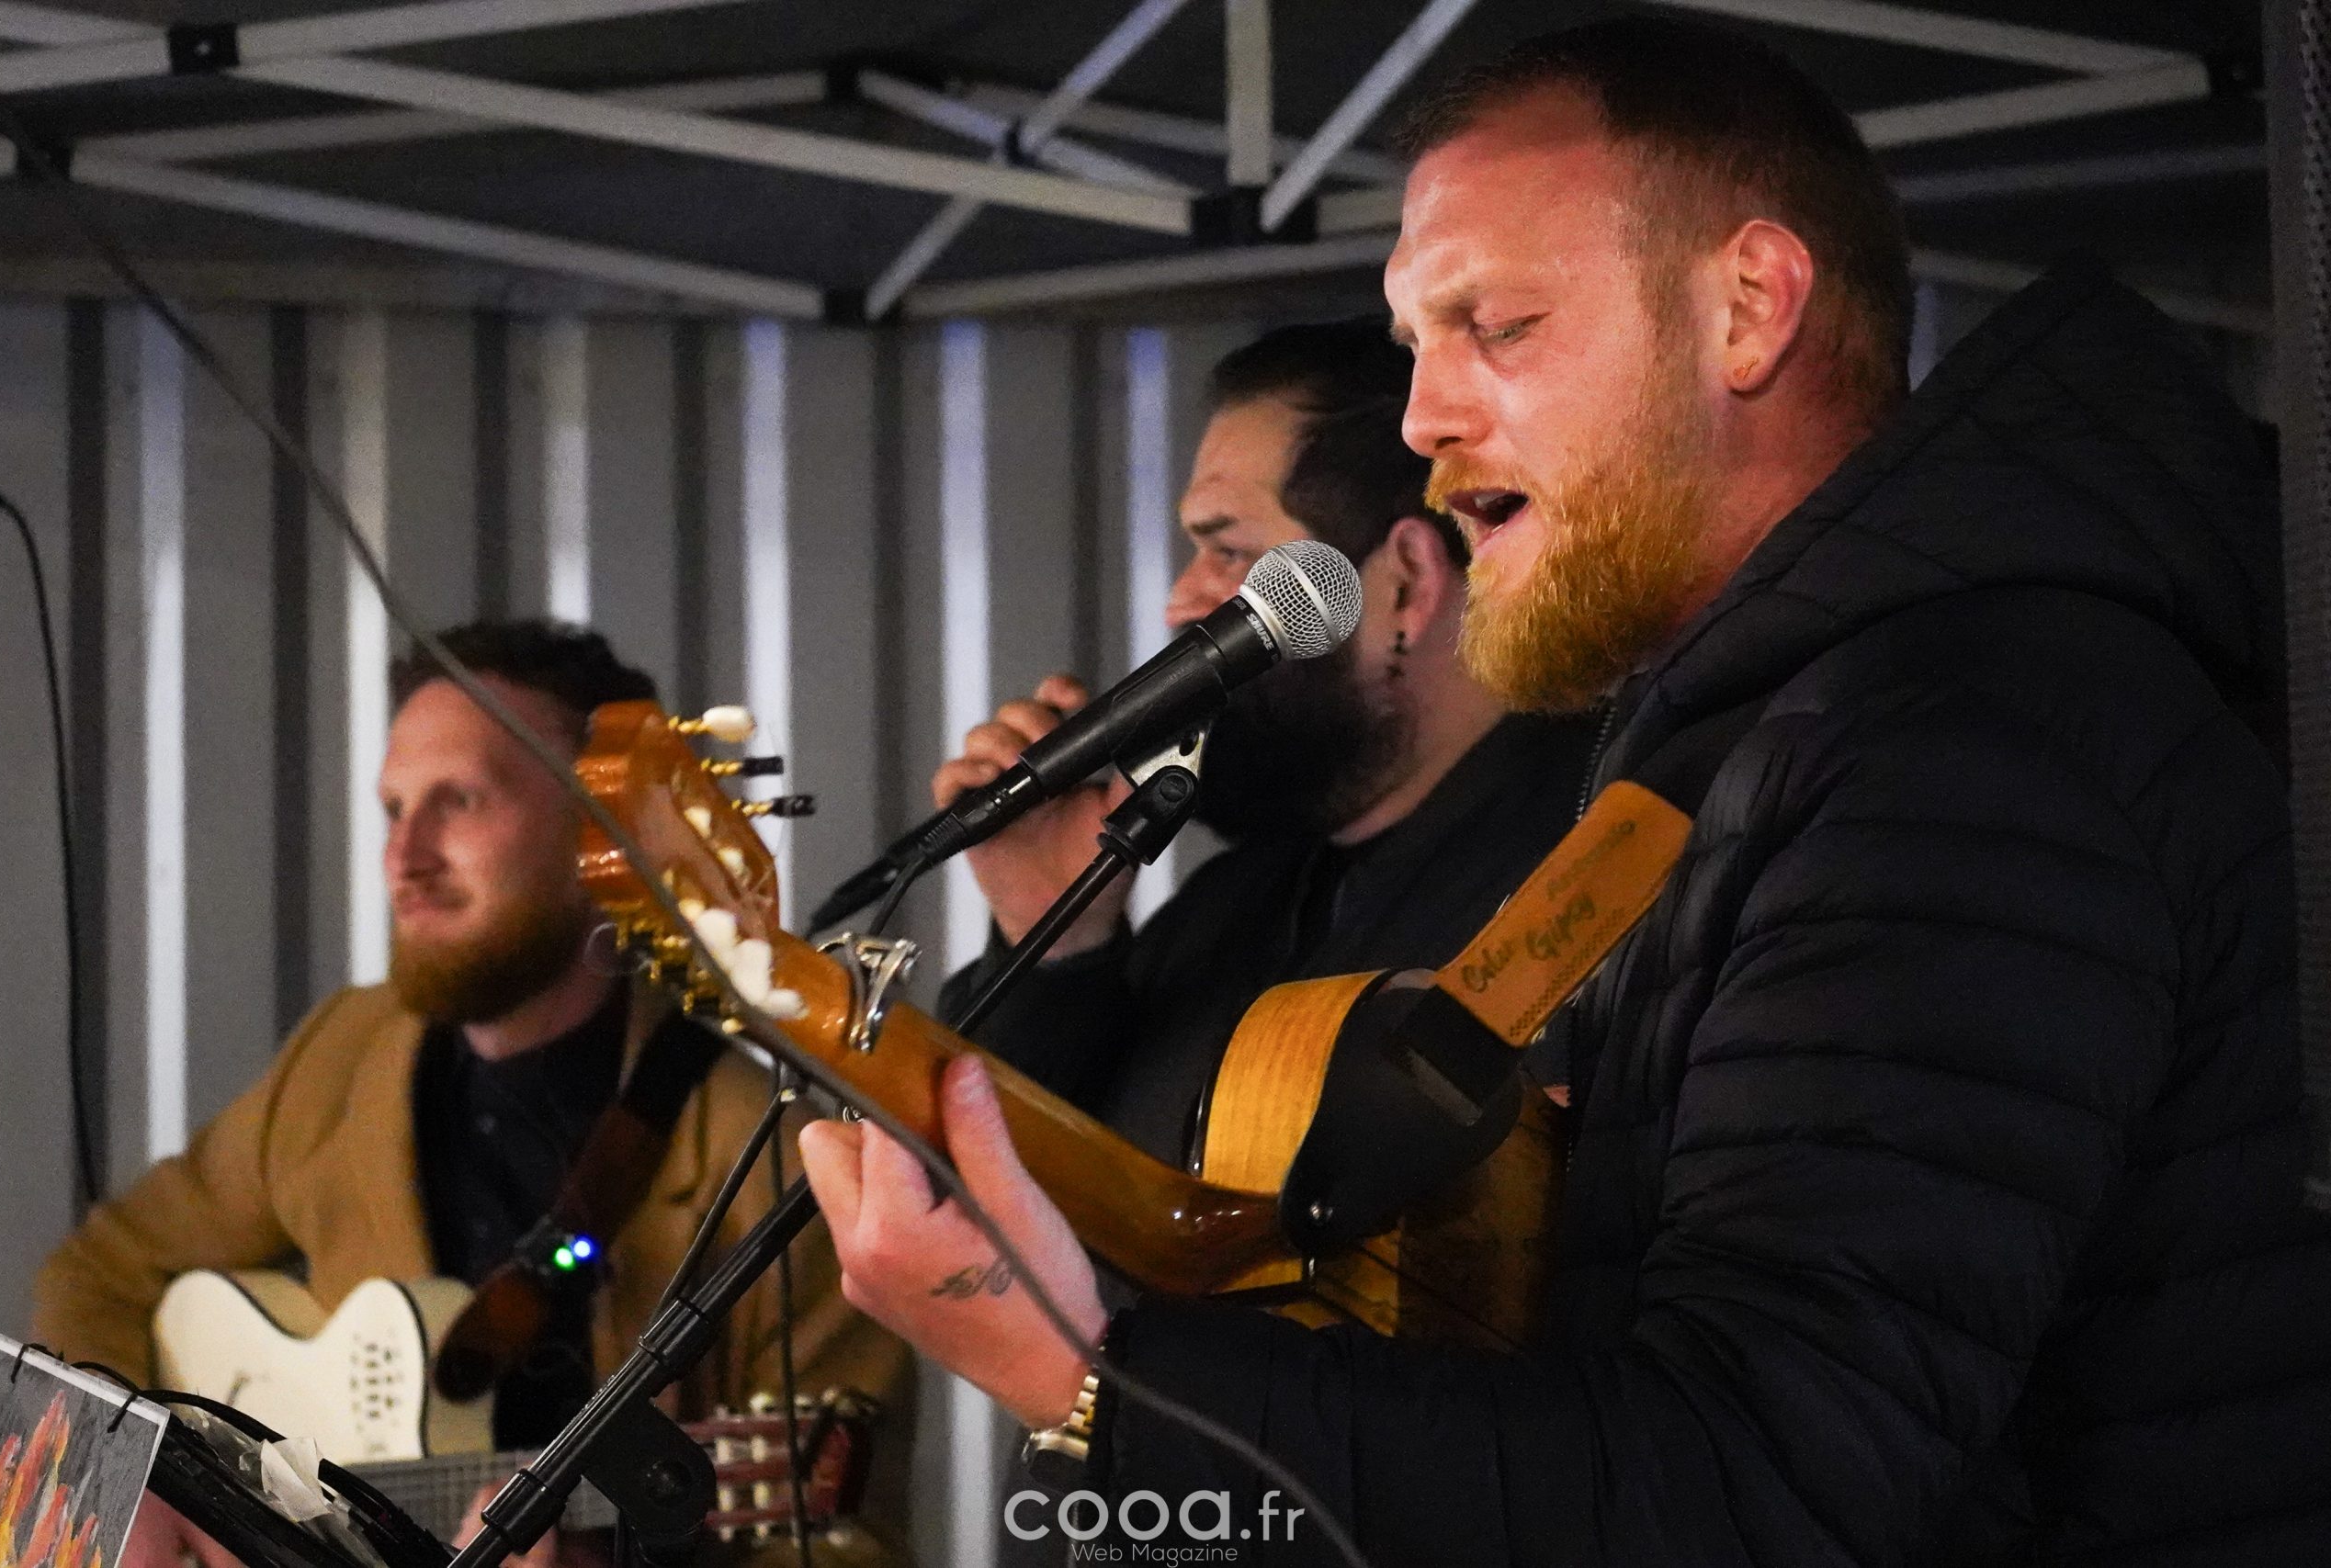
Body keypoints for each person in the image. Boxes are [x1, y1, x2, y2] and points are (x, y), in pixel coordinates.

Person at [800, 17, 2331, 1565]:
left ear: (1749, 307)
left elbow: (1755, 1487)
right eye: (1418, 343)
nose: (1424, 417)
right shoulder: (1765, 733)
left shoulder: (1957, 747)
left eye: (1499, 325)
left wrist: (1087, 1373)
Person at [35, 620, 910, 1566]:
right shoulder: (346, 1054)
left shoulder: (777, 1159)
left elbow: (846, 1547)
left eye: (459, 799)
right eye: (393, 807)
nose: (404, 856)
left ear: (606, 834)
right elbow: (99, 1275)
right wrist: (124, 1480)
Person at [934, 320, 1601, 1167]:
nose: (1182, 602)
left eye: (1230, 550)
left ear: (1405, 584)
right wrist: (1054, 940)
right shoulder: (1235, 902)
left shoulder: (1593, 870)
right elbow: (1000, 1184)